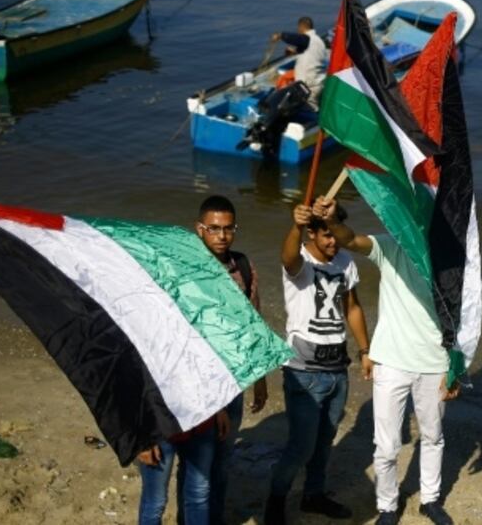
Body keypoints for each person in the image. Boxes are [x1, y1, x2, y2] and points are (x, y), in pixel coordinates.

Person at [311, 195, 460, 525]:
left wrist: (456, 366)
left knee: (433, 435)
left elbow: (462, 315)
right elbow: (350, 239)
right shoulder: (390, 246)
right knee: (386, 444)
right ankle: (388, 506)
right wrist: (333, 219)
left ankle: (431, 499)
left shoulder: (449, 258)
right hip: (390, 360)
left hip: (435, 361)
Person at [265, 203, 372, 524]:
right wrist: (295, 226)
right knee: (301, 445)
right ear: (311, 232)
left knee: (325, 440)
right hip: (304, 369)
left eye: (336, 234)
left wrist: (365, 350)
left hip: (337, 366)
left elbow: (352, 307)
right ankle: (275, 503)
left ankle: (313, 495)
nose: (332, 242)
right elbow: (287, 257)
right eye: (326, 235)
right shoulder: (300, 261)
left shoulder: (345, 261)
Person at [195, 195, 268, 525]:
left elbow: (255, 324)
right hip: (196, 380)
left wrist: (261, 377)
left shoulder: (243, 267)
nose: (222, 236)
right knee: (197, 463)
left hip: (234, 379)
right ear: (200, 229)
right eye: (214, 229)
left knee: (223, 460)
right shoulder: (188, 267)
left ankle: (215, 517)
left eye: (228, 229)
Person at [136, 409, 230, 525]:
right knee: (155, 501)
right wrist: (139, 435)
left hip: (201, 423)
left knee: (198, 494)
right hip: (158, 428)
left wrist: (219, 408)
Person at [271, 16, 328, 107]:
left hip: (309, 85)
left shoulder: (307, 38)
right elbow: (310, 51)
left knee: (310, 108)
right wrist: (294, 52)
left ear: (301, 27)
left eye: (298, 28)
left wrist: (280, 35)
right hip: (319, 81)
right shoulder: (319, 41)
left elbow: (298, 39)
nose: (298, 30)